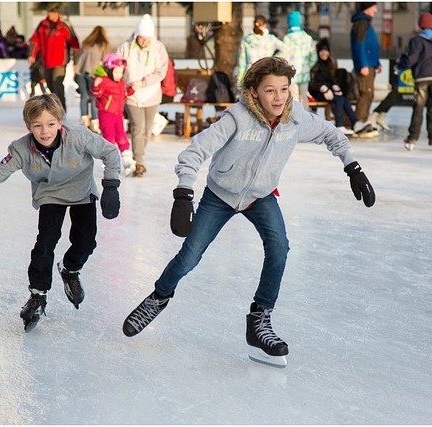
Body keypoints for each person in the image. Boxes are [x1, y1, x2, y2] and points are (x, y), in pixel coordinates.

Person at [121, 57, 376, 367]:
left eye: (284, 89)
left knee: (279, 249)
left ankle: (260, 320)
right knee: (189, 256)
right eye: (270, 90)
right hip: (220, 195)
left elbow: (331, 134)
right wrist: (184, 193)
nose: (279, 97)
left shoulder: (295, 118)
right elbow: (196, 150)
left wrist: (352, 167)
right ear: (254, 92)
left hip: (261, 196)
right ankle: (159, 296)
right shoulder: (236, 118)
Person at [0, 94, 121, 332]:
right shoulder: (20, 149)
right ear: (29, 127)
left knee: (86, 242)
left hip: (81, 192)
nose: (45, 131)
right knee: (45, 243)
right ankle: (37, 295)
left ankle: (70, 268)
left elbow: (110, 152)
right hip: (50, 194)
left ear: (60, 122)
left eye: (50, 124)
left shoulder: (78, 136)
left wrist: (111, 186)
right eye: (37, 125)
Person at [117, 14, 169, 177]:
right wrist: (122, 81)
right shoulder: (126, 47)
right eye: (141, 38)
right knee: (137, 127)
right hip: (132, 96)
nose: (144, 41)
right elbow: (116, 65)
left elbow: (161, 71)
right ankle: (139, 162)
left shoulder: (158, 48)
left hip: (152, 95)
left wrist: (145, 81)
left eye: (147, 38)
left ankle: (137, 154)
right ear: (136, 35)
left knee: (146, 131)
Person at [309, 38, 375, 137]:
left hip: (329, 92)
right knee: (339, 99)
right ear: (318, 52)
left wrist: (335, 87)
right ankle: (340, 125)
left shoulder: (330, 63)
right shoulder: (316, 65)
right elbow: (313, 83)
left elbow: (331, 79)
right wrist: (324, 89)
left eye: (326, 50)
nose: (324, 53)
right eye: (321, 51)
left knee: (342, 98)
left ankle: (355, 123)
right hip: (318, 93)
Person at [92, 53, 136, 176]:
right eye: (116, 72)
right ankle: (110, 163)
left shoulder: (121, 82)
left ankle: (127, 161)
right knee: (109, 138)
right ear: (109, 70)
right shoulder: (104, 81)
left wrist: (131, 90)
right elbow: (97, 94)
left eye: (121, 72)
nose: (119, 75)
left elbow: (124, 94)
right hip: (106, 114)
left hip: (118, 115)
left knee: (122, 137)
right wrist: (96, 85)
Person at [28, 6, 80, 111]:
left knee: (57, 83)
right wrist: (32, 54)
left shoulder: (64, 26)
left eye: (53, 12)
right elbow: (35, 40)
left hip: (60, 62)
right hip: (46, 61)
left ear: (58, 13)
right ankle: (55, 106)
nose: (50, 14)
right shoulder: (42, 25)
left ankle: (62, 108)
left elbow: (74, 44)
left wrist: (76, 61)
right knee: (50, 84)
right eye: (49, 12)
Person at [398, 11, 432, 150]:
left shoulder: (417, 40)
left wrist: (401, 65)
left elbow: (411, 59)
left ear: (420, 25)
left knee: (418, 108)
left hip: (422, 78)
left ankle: (412, 139)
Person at [73, 25, 110, 134]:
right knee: (94, 98)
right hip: (94, 74)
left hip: (81, 72)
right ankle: (95, 122)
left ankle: (84, 121)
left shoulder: (86, 44)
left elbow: (78, 59)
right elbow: (105, 61)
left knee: (84, 97)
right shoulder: (103, 45)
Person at [350, 2, 381, 131]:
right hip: (365, 66)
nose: (376, 10)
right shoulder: (361, 23)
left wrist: (376, 63)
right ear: (367, 8)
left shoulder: (366, 22)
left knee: (369, 94)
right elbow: (359, 45)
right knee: (365, 93)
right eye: (374, 6)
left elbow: (370, 46)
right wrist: (363, 64)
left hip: (370, 64)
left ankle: (364, 121)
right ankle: (359, 122)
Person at [236, 15, 285, 87]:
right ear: (265, 25)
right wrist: (274, 59)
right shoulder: (271, 39)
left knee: (251, 96)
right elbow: (286, 49)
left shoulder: (246, 40)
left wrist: (240, 80)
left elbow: (242, 61)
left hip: (251, 72)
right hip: (267, 71)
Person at [281, 10, 317, 109]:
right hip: (304, 72)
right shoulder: (308, 38)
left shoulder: (287, 38)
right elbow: (313, 56)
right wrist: (307, 66)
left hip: (291, 73)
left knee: (294, 98)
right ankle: (305, 121)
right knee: (304, 98)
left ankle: (295, 121)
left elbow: (285, 57)